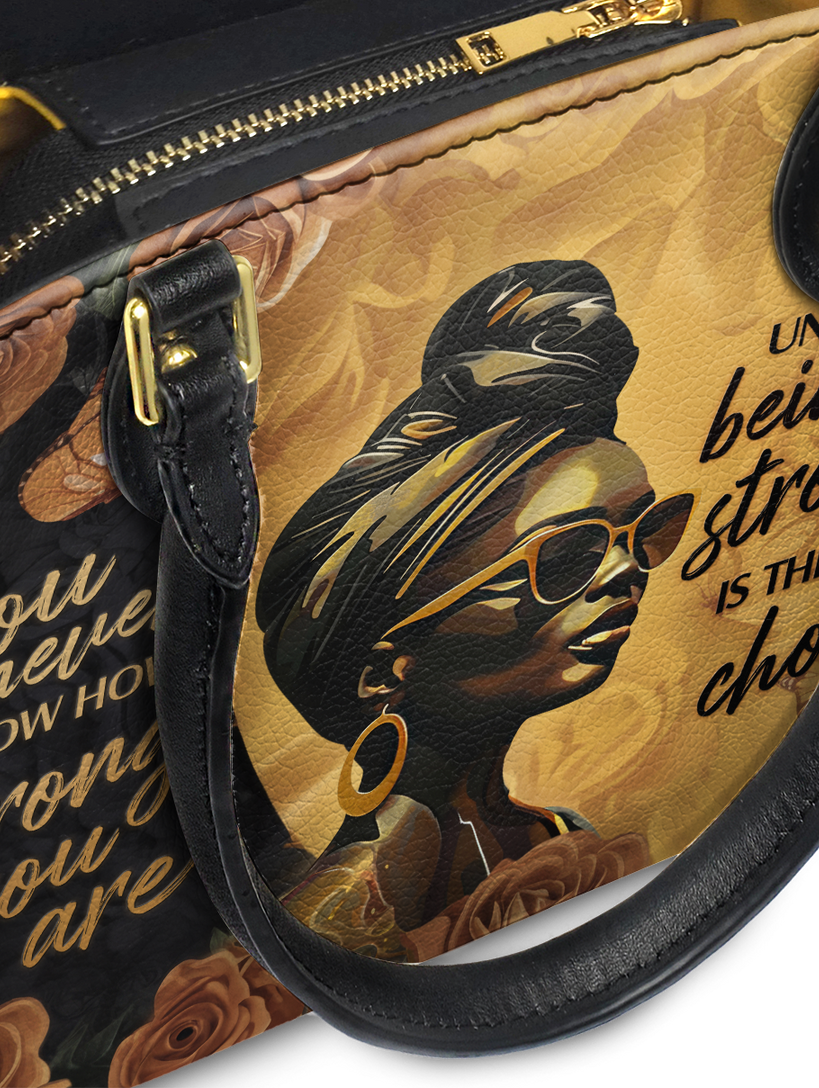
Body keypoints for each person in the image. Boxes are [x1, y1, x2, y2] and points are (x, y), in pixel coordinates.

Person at [254, 260, 692, 958]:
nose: (626, 572)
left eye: (645, 532)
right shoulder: (344, 920)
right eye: (566, 556)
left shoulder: (561, 840)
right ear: (384, 670)